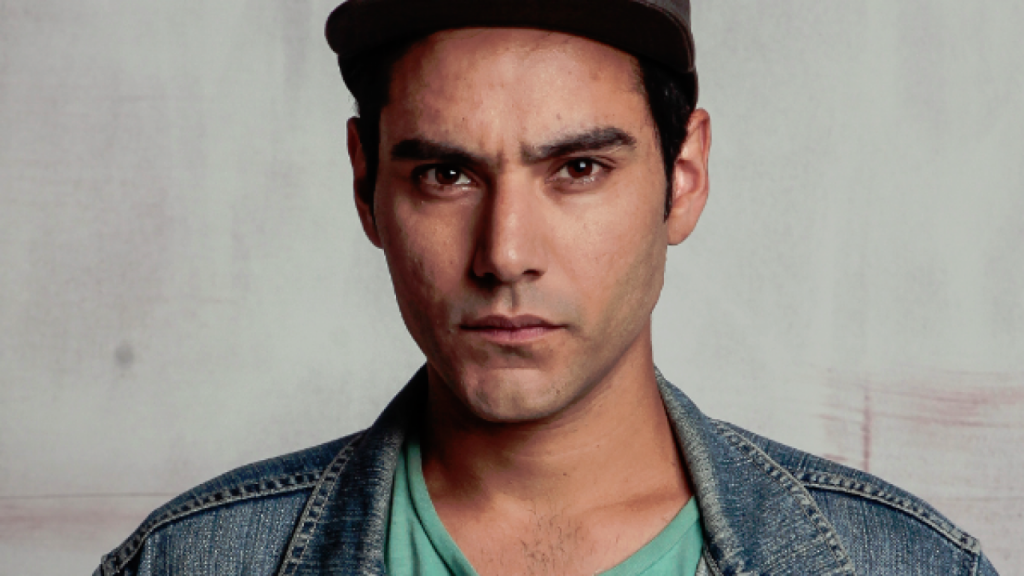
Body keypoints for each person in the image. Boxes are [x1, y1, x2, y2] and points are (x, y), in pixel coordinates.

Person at [95, 1, 999, 574]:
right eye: (446, 175)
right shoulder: (186, 562)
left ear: (684, 177)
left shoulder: (907, 566)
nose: (505, 253)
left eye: (577, 168)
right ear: (366, 183)